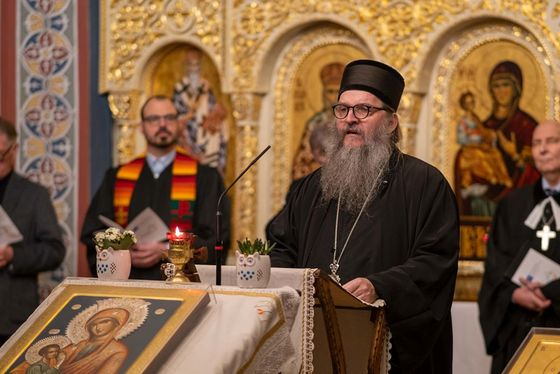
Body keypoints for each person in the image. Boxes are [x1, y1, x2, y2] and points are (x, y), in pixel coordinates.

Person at [267, 60, 459, 372]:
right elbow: (282, 247)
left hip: (387, 348)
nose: (350, 120)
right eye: (342, 110)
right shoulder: (312, 187)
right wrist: (293, 287)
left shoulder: (425, 183)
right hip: (315, 343)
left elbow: (436, 261)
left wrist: (379, 286)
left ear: (391, 122)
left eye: (363, 111)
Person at [80, 95, 230, 280]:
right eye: (153, 119)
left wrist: (169, 249)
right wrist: (121, 253)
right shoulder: (117, 177)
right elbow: (93, 234)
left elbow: (215, 238)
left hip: (181, 287)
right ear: (141, 127)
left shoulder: (205, 177)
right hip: (128, 283)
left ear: (179, 124)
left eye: (169, 118)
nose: (162, 124)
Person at [478, 119, 560, 373]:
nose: (542, 150)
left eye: (551, 142)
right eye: (536, 143)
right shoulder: (511, 204)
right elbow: (495, 265)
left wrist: (552, 292)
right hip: (517, 329)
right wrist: (514, 294)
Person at [0, 117, 65, 345]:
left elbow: (55, 250)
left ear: (14, 149)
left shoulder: (34, 195)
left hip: (10, 318)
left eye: (0, 154)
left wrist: (12, 256)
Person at [173, 47, 228, 174]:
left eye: (197, 64)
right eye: (191, 64)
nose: (194, 68)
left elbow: (212, 106)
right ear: (186, 66)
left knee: (218, 133)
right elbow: (176, 111)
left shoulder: (205, 86)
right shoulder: (180, 87)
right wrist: (187, 117)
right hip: (186, 130)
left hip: (204, 129)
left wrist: (215, 115)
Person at [292, 62, 344, 179]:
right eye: (330, 92)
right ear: (324, 94)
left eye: (338, 92)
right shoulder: (314, 124)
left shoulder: (352, 122)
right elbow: (301, 162)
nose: (334, 98)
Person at [60, 308, 129, 374]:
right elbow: (62, 356)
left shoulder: (118, 350)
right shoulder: (82, 344)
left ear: (116, 324)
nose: (98, 327)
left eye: (104, 322)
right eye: (93, 324)